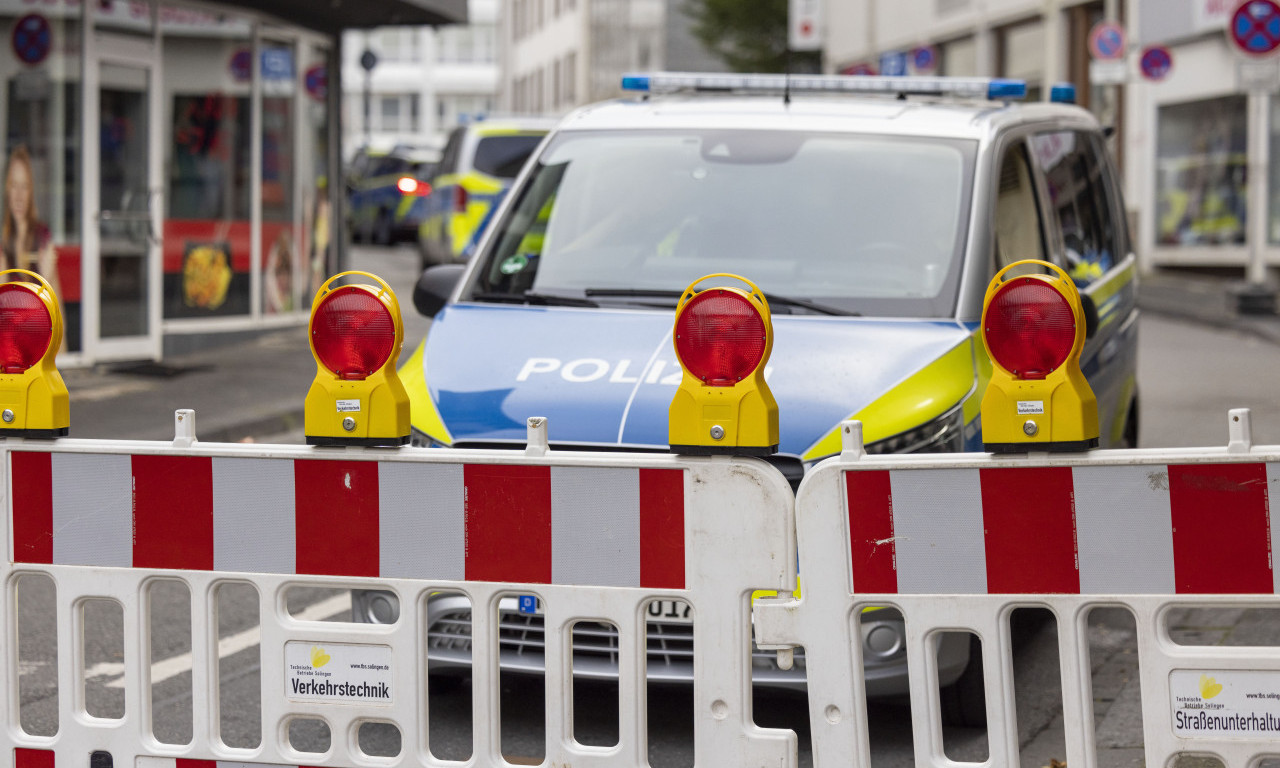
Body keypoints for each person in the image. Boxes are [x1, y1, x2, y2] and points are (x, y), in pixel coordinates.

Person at [2, 146, 65, 350]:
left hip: (39, 348)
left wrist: (47, 278)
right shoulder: (2, 243)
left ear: (32, 191)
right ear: (6, 189)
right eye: (14, 185)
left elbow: (57, 316)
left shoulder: (42, 238)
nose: (19, 196)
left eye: (25, 186)